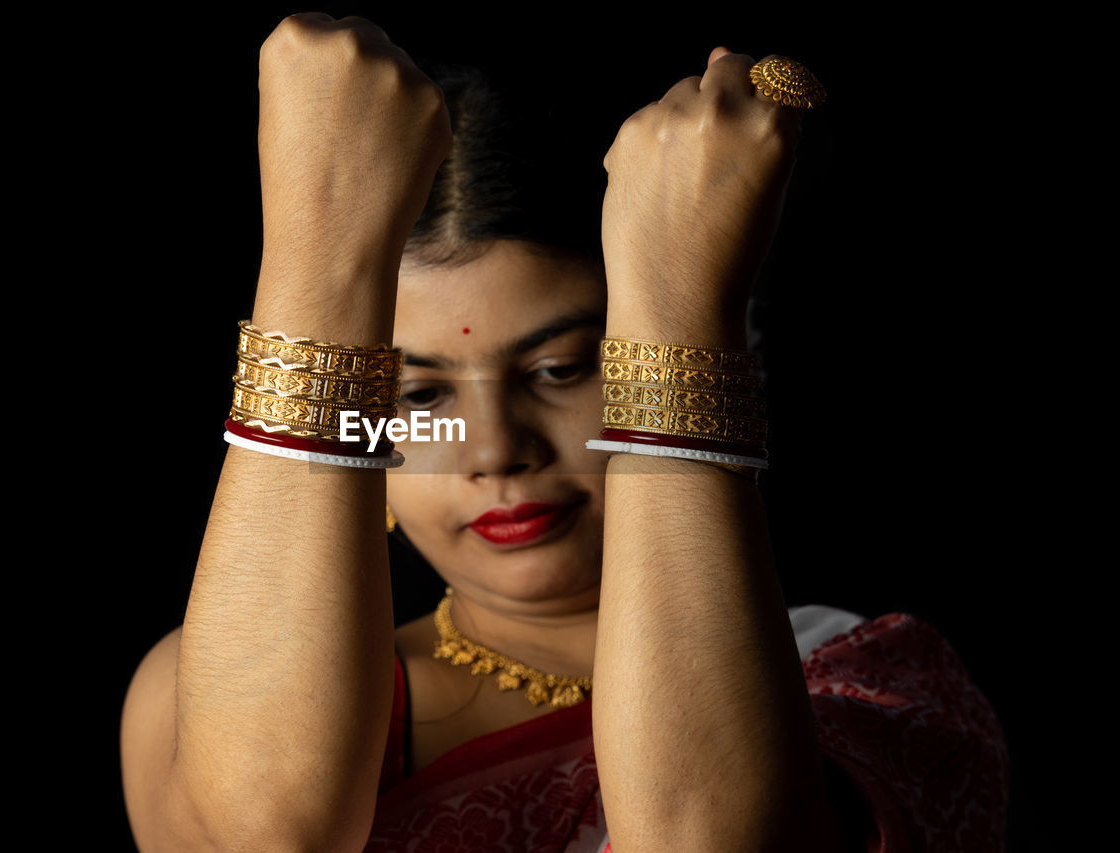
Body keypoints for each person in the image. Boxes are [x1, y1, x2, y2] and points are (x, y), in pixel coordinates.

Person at [120, 12, 1009, 852]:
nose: (497, 447)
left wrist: (680, 306)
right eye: (419, 396)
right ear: (366, 439)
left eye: (560, 371)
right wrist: (316, 263)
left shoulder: (868, 683)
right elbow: (265, 837)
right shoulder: (207, 697)